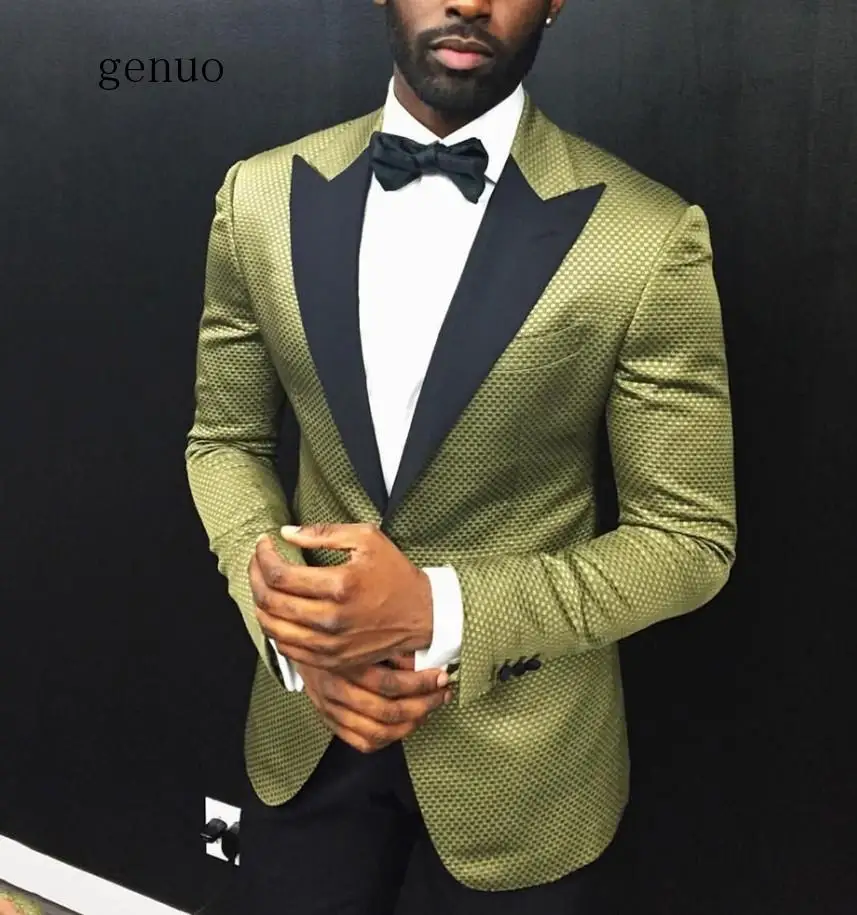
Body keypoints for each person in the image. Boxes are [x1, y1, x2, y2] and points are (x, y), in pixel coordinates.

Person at [184, 0, 736, 911]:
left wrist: (442, 610)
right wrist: (292, 624)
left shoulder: (648, 236)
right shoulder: (258, 198)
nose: (470, 2)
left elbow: (689, 539)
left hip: (525, 763)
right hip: (306, 728)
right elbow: (225, 443)